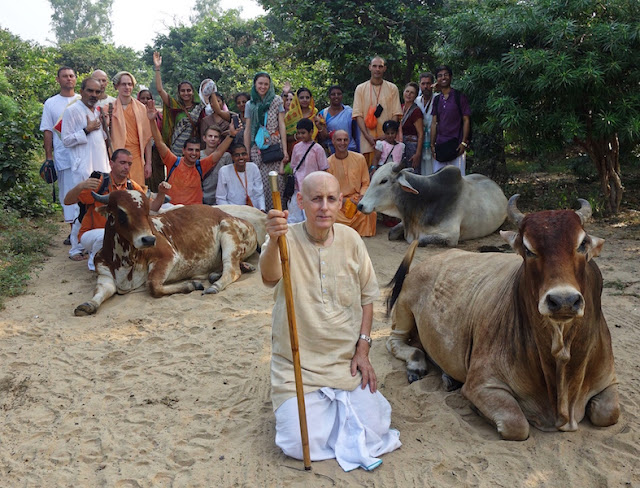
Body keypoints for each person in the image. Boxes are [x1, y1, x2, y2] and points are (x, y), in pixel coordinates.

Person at [259, 171, 401, 471]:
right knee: (296, 444)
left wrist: (363, 349)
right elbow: (269, 276)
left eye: (331, 199)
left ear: (340, 203)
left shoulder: (351, 240)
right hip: (298, 365)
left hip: (344, 363)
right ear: (301, 201)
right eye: (316, 199)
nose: (324, 207)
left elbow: (367, 298)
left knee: (378, 426)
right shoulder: (284, 238)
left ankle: (333, 410)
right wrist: (273, 240)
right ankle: (324, 411)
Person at [63, 149, 166, 271]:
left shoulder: (132, 187)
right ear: (111, 164)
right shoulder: (99, 182)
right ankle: (95, 263)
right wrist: (81, 186)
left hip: (118, 233)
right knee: (104, 236)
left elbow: (152, 208)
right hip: (93, 233)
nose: (126, 167)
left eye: (129, 164)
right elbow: (67, 201)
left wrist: (162, 193)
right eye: (122, 163)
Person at [146, 99, 237, 205]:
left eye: (197, 150)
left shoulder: (201, 166)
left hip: (194, 212)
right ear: (183, 151)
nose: (193, 153)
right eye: (190, 150)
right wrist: (152, 121)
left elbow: (218, 152)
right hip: (172, 211)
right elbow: (159, 142)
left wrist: (231, 135)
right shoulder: (173, 162)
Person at [62, 77, 111, 261]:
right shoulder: (72, 111)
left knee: (98, 206)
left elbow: (103, 138)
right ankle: (76, 248)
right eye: (90, 91)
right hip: (83, 166)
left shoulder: (98, 110)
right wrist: (86, 130)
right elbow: (66, 140)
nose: (93, 95)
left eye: (97, 92)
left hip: (101, 165)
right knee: (81, 207)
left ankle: (95, 244)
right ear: (82, 91)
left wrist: (106, 122)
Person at [40, 66, 80, 245]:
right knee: (68, 195)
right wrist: (49, 157)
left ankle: (84, 231)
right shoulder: (51, 103)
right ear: (58, 80)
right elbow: (48, 131)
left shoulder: (82, 99)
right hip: (63, 156)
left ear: (76, 79)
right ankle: (73, 233)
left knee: (86, 193)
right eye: (64, 76)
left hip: (83, 155)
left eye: (71, 76)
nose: (68, 79)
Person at [243, 71, 289, 210]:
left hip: (274, 147)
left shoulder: (277, 101)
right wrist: (246, 153)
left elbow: (282, 125)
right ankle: (262, 216)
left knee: (277, 184)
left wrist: (285, 150)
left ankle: (279, 214)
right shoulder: (249, 104)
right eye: (260, 84)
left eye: (266, 84)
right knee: (260, 186)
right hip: (257, 150)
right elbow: (248, 129)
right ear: (255, 84)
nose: (263, 87)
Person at [352, 56, 403, 166]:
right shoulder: (360, 88)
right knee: (369, 174)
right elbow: (358, 115)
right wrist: (367, 136)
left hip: (388, 140)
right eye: (374, 66)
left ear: (384, 69)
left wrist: (387, 134)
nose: (377, 69)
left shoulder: (392, 88)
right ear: (370, 67)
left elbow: (396, 114)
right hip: (367, 140)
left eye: (380, 66)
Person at [153, 51, 205, 155]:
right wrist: (157, 68)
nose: (186, 93)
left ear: (193, 91)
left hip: (194, 150)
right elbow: (159, 90)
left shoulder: (200, 108)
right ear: (179, 93)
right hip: (176, 148)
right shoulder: (175, 106)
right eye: (183, 91)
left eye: (188, 90)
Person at [327, 130, 377, 237]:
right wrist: (343, 201)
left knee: (369, 213)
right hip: (339, 202)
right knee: (332, 215)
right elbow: (329, 190)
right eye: (339, 140)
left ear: (349, 141)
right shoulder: (328, 163)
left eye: (345, 140)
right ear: (333, 141)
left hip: (357, 199)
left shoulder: (359, 158)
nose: (342, 143)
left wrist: (361, 197)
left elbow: (365, 183)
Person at [283, 118, 329, 223]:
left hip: (313, 188)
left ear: (311, 132)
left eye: (303, 133)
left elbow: (323, 169)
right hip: (297, 187)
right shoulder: (296, 147)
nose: (300, 136)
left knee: (310, 216)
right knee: (294, 216)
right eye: (298, 133)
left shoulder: (318, 149)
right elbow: (293, 166)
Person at [110, 71, 152, 186]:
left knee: (137, 193)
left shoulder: (141, 108)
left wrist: (148, 163)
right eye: (123, 84)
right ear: (117, 86)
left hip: (136, 158)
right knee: (118, 193)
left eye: (130, 84)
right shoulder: (108, 109)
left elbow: (147, 139)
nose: (127, 87)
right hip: (117, 157)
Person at [430, 65, 471, 175]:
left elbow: (466, 120)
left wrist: (463, 142)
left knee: (457, 182)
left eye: (446, 74)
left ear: (451, 77)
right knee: (438, 181)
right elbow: (434, 123)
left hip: (456, 146)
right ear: (437, 79)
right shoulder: (437, 99)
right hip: (441, 146)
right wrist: (432, 145)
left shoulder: (459, 97)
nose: (443, 77)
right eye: (440, 75)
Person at [215, 143, 265, 211]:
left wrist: (262, 209)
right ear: (232, 157)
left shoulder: (253, 167)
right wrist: (230, 213)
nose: (241, 157)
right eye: (237, 155)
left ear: (247, 155)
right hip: (233, 211)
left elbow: (259, 193)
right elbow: (220, 198)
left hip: (253, 210)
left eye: (244, 154)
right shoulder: (224, 171)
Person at [317, 85, 359, 154]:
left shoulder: (349, 112)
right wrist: (331, 135)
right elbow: (321, 137)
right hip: (331, 151)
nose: (336, 96)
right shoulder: (323, 113)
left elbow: (355, 132)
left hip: (350, 149)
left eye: (339, 94)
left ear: (342, 96)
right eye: (333, 94)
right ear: (329, 97)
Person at [201, 125, 233, 205]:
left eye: (216, 137)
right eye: (210, 136)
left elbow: (230, 180)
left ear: (219, 140)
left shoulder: (226, 157)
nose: (212, 139)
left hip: (220, 200)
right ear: (204, 138)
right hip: (201, 199)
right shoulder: (197, 156)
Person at [284, 87, 319, 154]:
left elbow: (321, 136)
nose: (305, 100)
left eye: (307, 97)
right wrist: (296, 136)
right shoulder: (290, 115)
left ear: (311, 99)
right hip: (294, 151)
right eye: (302, 98)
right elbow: (284, 136)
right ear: (297, 99)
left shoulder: (315, 114)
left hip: (312, 150)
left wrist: (319, 125)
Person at [400, 82, 424, 171]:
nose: (408, 95)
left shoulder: (416, 111)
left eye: (412, 93)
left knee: (412, 173)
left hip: (412, 146)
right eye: (407, 91)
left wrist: (417, 153)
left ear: (415, 96)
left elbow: (421, 134)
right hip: (401, 145)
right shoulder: (400, 107)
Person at [416, 72, 436, 175]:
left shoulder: (438, 99)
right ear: (420, 85)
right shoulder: (416, 101)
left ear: (433, 84)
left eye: (428, 84)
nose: (426, 86)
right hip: (420, 140)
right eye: (423, 84)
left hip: (435, 139)